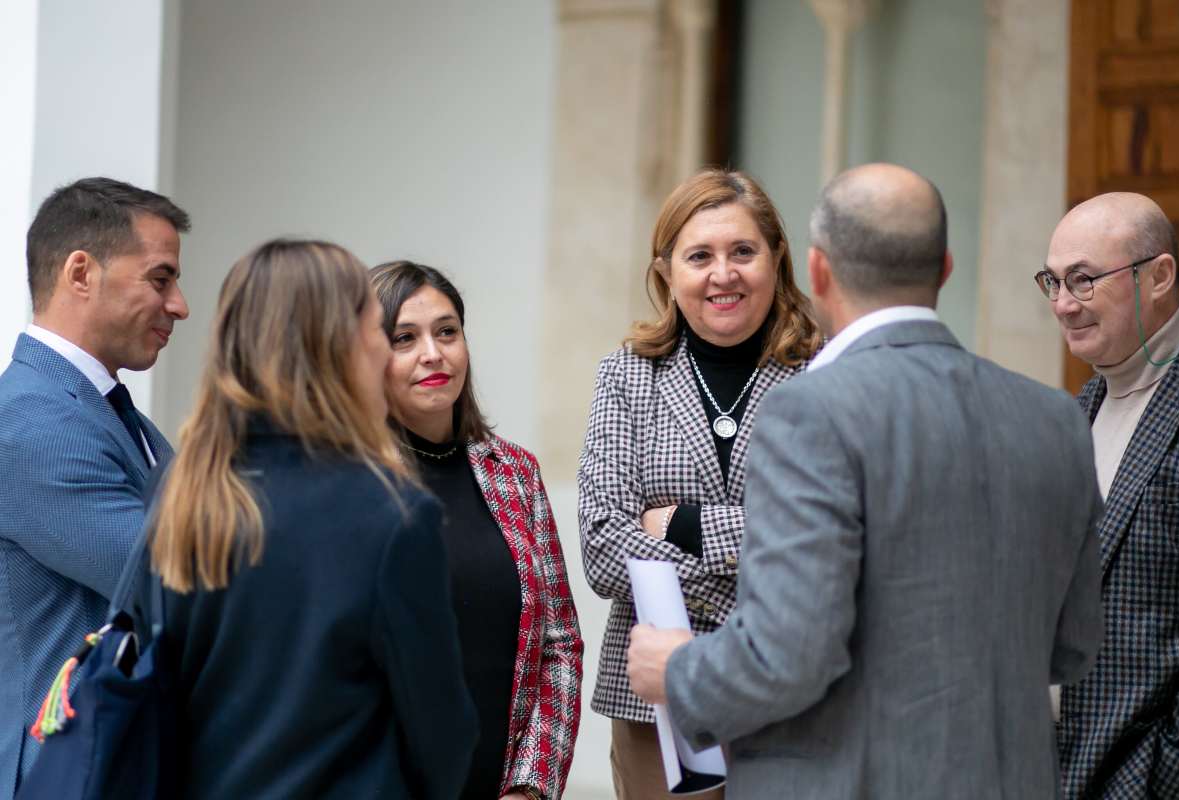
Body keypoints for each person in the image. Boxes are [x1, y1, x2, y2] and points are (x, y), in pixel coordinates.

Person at [626, 163, 1105, 798]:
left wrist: (677, 669)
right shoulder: (1056, 419)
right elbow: (1071, 649)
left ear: (817, 271)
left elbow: (788, 657)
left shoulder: (807, 411)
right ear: (945, 269)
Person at [135, 240, 477, 798]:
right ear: (338, 347)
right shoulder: (392, 513)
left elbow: (151, 681)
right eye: (379, 330)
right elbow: (441, 732)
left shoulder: (179, 487)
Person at [577, 168, 822, 798]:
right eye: (699, 256)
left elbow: (835, 534)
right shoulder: (626, 377)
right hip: (656, 707)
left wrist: (681, 524)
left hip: (791, 691)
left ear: (776, 257)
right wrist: (761, 549)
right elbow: (605, 552)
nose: (723, 274)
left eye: (743, 251)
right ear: (666, 271)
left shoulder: (825, 373)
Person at [0, 177, 190, 797]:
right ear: (81, 272)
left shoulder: (112, 414)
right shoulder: (31, 423)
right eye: (160, 279)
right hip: (68, 774)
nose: (180, 305)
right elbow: (175, 581)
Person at [370, 260, 583, 800]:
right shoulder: (349, 478)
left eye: (447, 332)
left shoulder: (514, 472)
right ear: (367, 356)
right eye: (404, 338)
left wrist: (531, 787)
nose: (433, 354)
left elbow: (559, 646)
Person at [1042, 192, 1179, 799]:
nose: (1062, 305)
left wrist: (1170, 775)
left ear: (1159, 275)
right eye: (1052, 282)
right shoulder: (1076, 411)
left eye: (1082, 280)